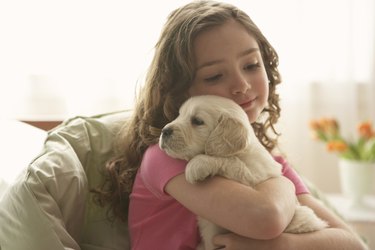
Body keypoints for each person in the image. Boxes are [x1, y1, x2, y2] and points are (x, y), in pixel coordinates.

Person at [94, 1, 367, 249]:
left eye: (251, 65)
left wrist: (285, 246)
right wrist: (281, 184)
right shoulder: (168, 157)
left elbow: (352, 244)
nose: (242, 85)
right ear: (180, 93)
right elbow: (266, 217)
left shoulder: (270, 163)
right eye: (214, 76)